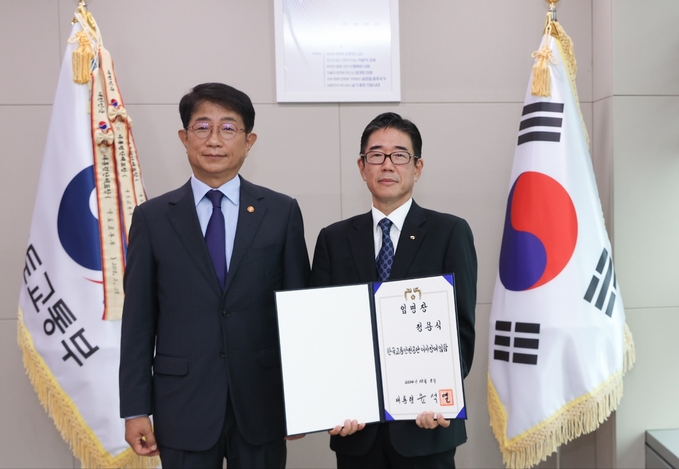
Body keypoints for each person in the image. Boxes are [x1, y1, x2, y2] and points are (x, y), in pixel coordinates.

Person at [119, 82, 310, 468]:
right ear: (184, 137)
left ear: (249, 140)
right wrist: (135, 408)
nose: (214, 140)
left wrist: (302, 399)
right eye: (202, 127)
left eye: (228, 128)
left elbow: (298, 314)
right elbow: (138, 321)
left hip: (262, 403)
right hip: (182, 406)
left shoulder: (280, 212)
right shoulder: (152, 219)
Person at [310, 112, 477, 468]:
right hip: (357, 431)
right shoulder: (333, 239)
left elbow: (461, 329)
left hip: (427, 427)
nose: (388, 164)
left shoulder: (449, 232)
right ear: (362, 166)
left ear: (417, 167)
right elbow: (322, 333)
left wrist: (441, 396)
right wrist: (332, 400)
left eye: (400, 155)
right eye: (376, 155)